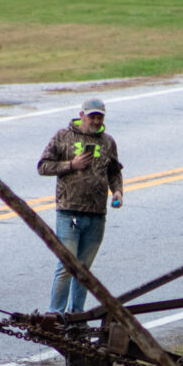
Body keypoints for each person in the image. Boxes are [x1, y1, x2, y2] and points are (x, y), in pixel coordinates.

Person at [38, 98, 124, 315]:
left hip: (96, 214)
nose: (96, 120)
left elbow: (114, 171)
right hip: (68, 212)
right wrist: (71, 165)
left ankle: (77, 315)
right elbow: (43, 166)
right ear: (81, 115)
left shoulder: (108, 142)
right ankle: (55, 315)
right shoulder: (63, 136)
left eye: (100, 116)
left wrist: (118, 191)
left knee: (84, 270)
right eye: (92, 115)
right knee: (67, 266)